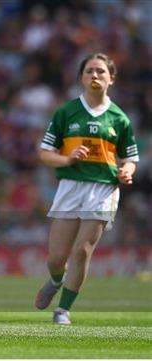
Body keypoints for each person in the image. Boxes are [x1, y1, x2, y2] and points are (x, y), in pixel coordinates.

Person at [35, 53, 139, 325]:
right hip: (71, 186)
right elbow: (45, 153)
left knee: (82, 250)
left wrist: (127, 170)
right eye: (89, 71)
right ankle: (57, 279)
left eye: (101, 72)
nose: (95, 76)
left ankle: (63, 310)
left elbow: (130, 157)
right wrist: (67, 159)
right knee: (57, 257)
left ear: (111, 79)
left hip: (104, 189)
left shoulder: (119, 118)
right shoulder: (66, 112)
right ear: (81, 77)